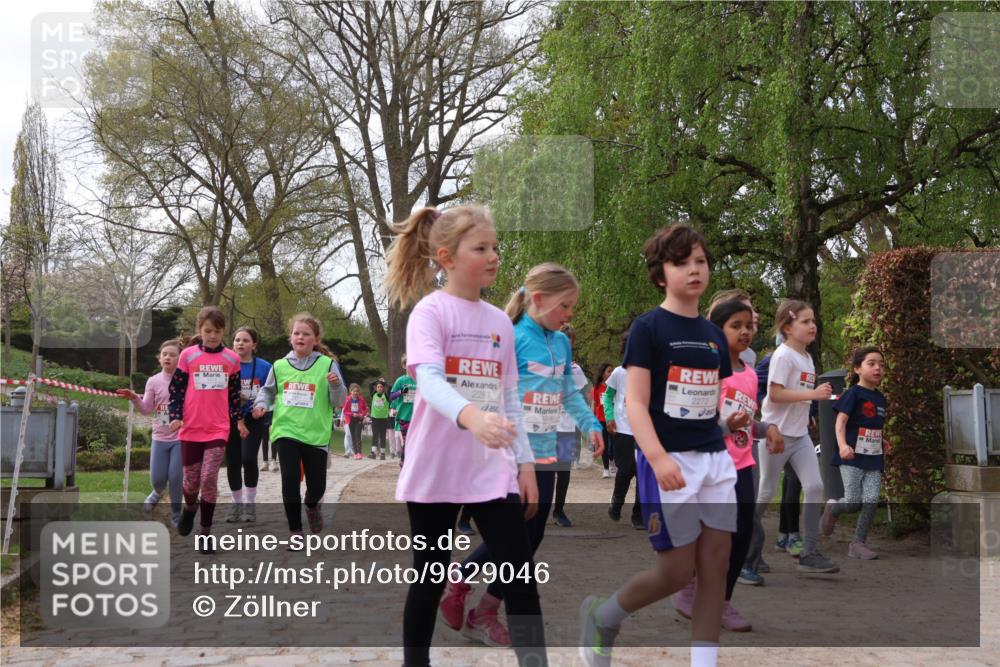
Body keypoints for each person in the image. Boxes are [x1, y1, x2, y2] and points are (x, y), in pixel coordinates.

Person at [385, 204, 546, 667]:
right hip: (436, 469)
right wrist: (471, 416)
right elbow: (431, 381)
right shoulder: (429, 313)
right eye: (481, 248)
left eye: (495, 247)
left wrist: (525, 463)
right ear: (446, 257)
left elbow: (510, 397)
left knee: (520, 577)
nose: (494, 256)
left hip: (491, 469)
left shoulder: (499, 322)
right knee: (429, 577)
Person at [580, 223, 735, 667]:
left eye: (700, 261)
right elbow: (636, 403)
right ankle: (603, 616)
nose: (694, 269)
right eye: (681, 262)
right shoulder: (648, 328)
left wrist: (732, 424)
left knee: (715, 570)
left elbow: (709, 403)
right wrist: (658, 457)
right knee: (676, 572)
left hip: (716, 462)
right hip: (667, 463)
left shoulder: (714, 336)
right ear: (660, 274)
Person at [441, 263, 603, 646]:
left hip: (546, 451)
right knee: (513, 534)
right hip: (510, 451)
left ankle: (480, 606)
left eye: (572, 308)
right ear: (540, 299)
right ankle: (464, 586)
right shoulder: (511, 337)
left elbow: (567, 393)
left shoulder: (561, 343)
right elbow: (491, 392)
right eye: (565, 306)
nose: (569, 315)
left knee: (533, 535)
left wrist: (590, 424)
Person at [672, 299, 785, 633]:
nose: (745, 332)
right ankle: (689, 588)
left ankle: (721, 601)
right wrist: (725, 427)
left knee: (742, 535)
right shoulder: (707, 373)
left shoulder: (749, 375)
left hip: (742, 466)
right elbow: (691, 421)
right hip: (710, 465)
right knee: (708, 536)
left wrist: (768, 428)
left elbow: (748, 423)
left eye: (749, 326)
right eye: (736, 326)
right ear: (716, 331)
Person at [755, 299, 839, 574]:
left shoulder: (807, 358)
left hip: (800, 436)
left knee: (814, 487)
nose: (812, 325)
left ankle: (809, 553)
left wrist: (808, 410)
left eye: (813, 320)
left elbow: (798, 395)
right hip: (775, 433)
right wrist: (813, 395)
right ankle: (744, 546)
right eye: (805, 321)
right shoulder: (783, 356)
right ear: (787, 328)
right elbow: (775, 394)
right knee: (766, 492)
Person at [252, 313, 346, 541]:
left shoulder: (327, 365)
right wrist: (261, 404)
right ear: (290, 338)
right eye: (296, 333)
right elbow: (267, 391)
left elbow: (339, 401)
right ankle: (295, 531)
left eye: (306, 334)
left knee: (317, 487)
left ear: (316, 339)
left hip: (316, 434)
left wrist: (335, 386)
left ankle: (312, 506)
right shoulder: (279, 366)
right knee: (290, 479)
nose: (300, 337)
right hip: (286, 430)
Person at [168, 306, 243, 552]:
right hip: (191, 427)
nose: (212, 336)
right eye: (208, 331)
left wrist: (238, 420)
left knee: (209, 478)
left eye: (217, 332)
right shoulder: (187, 356)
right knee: (191, 484)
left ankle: (206, 533)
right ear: (200, 330)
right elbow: (176, 390)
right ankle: (190, 508)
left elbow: (234, 395)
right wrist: (176, 416)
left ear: (223, 332)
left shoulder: (232, 359)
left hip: (218, 428)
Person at [820, 346, 888, 560]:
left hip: (874, 458)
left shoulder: (881, 398)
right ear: (858, 368)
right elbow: (840, 423)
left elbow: (872, 425)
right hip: (851, 458)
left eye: (881, 365)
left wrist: (881, 440)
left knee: (871, 499)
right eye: (871, 363)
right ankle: (833, 508)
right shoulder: (853, 394)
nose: (877, 368)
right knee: (853, 502)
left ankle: (858, 543)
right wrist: (842, 446)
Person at [117, 339, 184, 527]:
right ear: (159, 358)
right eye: (165, 354)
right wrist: (134, 398)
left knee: (176, 477)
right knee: (158, 480)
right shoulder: (153, 381)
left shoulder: (186, 380)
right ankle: (157, 492)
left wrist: (183, 420)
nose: (168, 357)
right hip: (160, 437)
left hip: (180, 437)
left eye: (172, 354)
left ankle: (176, 514)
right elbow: (146, 409)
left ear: (180, 358)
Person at [226, 326, 272, 523]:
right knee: (233, 462)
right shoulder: (226, 364)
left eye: (245, 340)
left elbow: (272, 392)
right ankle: (236, 504)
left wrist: (263, 407)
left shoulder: (265, 367)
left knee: (249, 459)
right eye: (237, 340)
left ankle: (249, 504)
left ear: (254, 345)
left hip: (254, 419)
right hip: (230, 419)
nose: (240, 343)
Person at [553, 323, 591, 527]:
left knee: (563, 471)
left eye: (570, 343)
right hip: (545, 427)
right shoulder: (544, 364)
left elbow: (582, 396)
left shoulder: (576, 370)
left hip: (566, 427)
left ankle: (558, 511)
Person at [602, 359, 643, 530]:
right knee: (626, 469)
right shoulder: (619, 372)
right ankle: (617, 501)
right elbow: (607, 396)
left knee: (642, 472)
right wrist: (609, 416)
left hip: (646, 429)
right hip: (623, 428)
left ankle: (639, 515)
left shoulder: (655, 371)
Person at [389, 355, 416, 465]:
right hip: (404, 417)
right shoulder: (401, 380)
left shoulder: (420, 380)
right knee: (407, 441)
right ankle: (404, 463)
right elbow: (391, 396)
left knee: (415, 442)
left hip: (417, 417)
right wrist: (401, 392)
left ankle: (408, 463)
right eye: (408, 364)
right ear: (404, 366)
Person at [592, 363, 614, 478]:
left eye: (612, 371)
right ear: (602, 373)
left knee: (614, 445)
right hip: (601, 419)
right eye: (608, 371)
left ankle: (612, 462)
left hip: (613, 420)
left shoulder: (614, 386)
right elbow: (594, 403)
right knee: (604, 444)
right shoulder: (597, 388)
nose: (611, 373)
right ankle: (606, 469)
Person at [342, 384, 369, 461]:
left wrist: (362, 414)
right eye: (354, 391)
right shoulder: (347, 399)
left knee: (358, 435)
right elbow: (345, 411)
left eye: (357, 391)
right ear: (350, 391)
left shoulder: (361, 399)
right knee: (353, 436)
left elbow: (366, 409)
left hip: (359, 419)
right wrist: (352, 414)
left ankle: (359, 453)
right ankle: (356, 453)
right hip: (351, 419)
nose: (355, 393)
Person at [369, 380, 390, 459]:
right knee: (375, 435)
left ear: (383, 388)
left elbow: (390, 387)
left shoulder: (386, 395)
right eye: (378, 387)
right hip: (375, 418)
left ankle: (382, 453)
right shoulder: (373, 394)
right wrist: (378, 381)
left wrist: (384, 383)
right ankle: (373, 452)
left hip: (383, 418)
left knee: (382, 436)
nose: (380, 388)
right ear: (376, 388)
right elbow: (370, 384)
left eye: (381, 387)